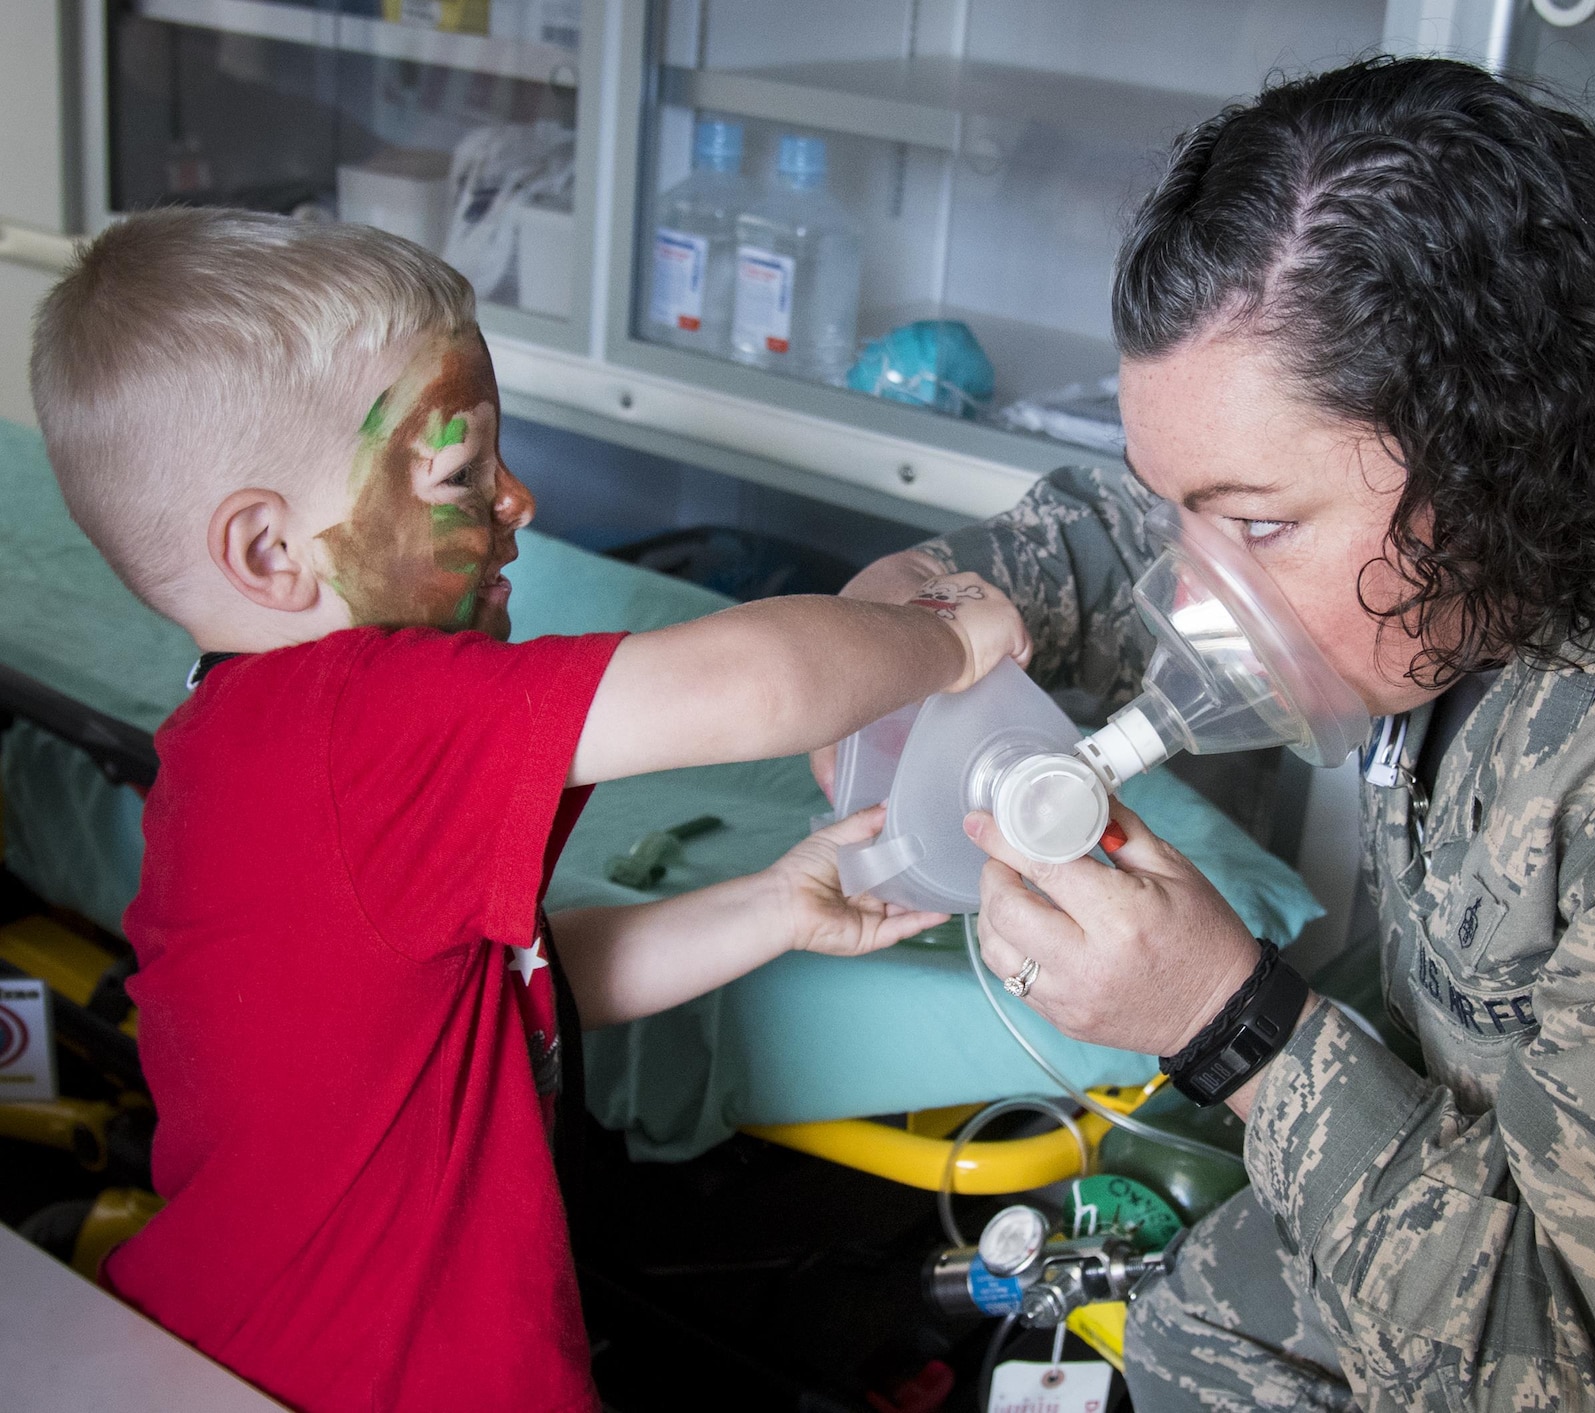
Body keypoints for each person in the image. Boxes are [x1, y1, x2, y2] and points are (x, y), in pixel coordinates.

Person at [831, 58, 1595, 1412]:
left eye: (1259, 530)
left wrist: (1231, 1025)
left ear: (1497, 445)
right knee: (1203, 1333)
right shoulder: (1555, 427)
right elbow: (1154, 518)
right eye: (1194, 511)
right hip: (1516, 1154)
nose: (1200, 588)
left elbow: (1593, 1382)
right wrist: (907, 625)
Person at [27, 208, 1028, 1413]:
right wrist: (943, 638)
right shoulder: (357, 721)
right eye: (462, 471)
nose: (520, 498)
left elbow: (492, 996)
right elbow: (751, 681)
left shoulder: (251, 744)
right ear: (269, 549)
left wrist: (764, 908)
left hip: (249, 1346)